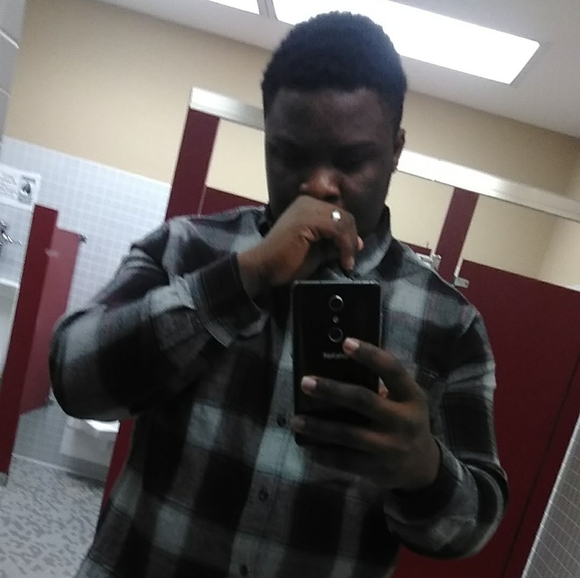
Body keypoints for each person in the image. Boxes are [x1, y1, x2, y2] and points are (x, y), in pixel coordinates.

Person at [50, 11, 508, 578]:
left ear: (396, 149)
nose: (319, 186)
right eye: (289, 155)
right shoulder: (186, 248)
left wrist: (425, 471)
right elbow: (71, 379)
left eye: (352, 161)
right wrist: (242, 278)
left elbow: (475, 526)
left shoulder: (451, 323)